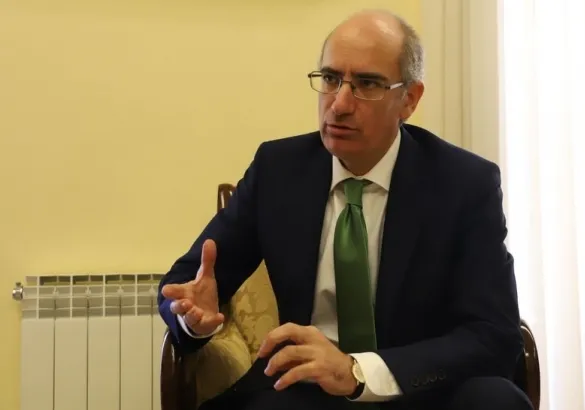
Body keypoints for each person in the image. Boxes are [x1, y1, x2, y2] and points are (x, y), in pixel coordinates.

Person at [158, 9, 532, 410]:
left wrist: (358, 372)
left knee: (496, 401)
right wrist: (191, 318)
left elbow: (494, 333)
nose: (339, 104)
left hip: (415, 385)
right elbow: (188, 283)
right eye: (331, 79)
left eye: (367, 84)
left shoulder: (463, 183)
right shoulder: (278, 170)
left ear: (409, 99)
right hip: (305, 388)